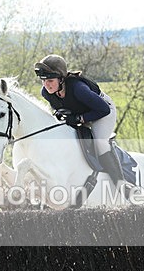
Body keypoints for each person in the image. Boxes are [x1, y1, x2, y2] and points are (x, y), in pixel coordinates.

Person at [33, 54, 128, 189]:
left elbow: (103, 109)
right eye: (43, 81)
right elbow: (58, 108)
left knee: (99, 142)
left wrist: (79, 119)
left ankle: (121, 183)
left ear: (61, 79)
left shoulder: (78, 89)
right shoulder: (46, 92)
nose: (46, 85)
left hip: (102, 112)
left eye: (50, 81)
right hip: (82, 111)